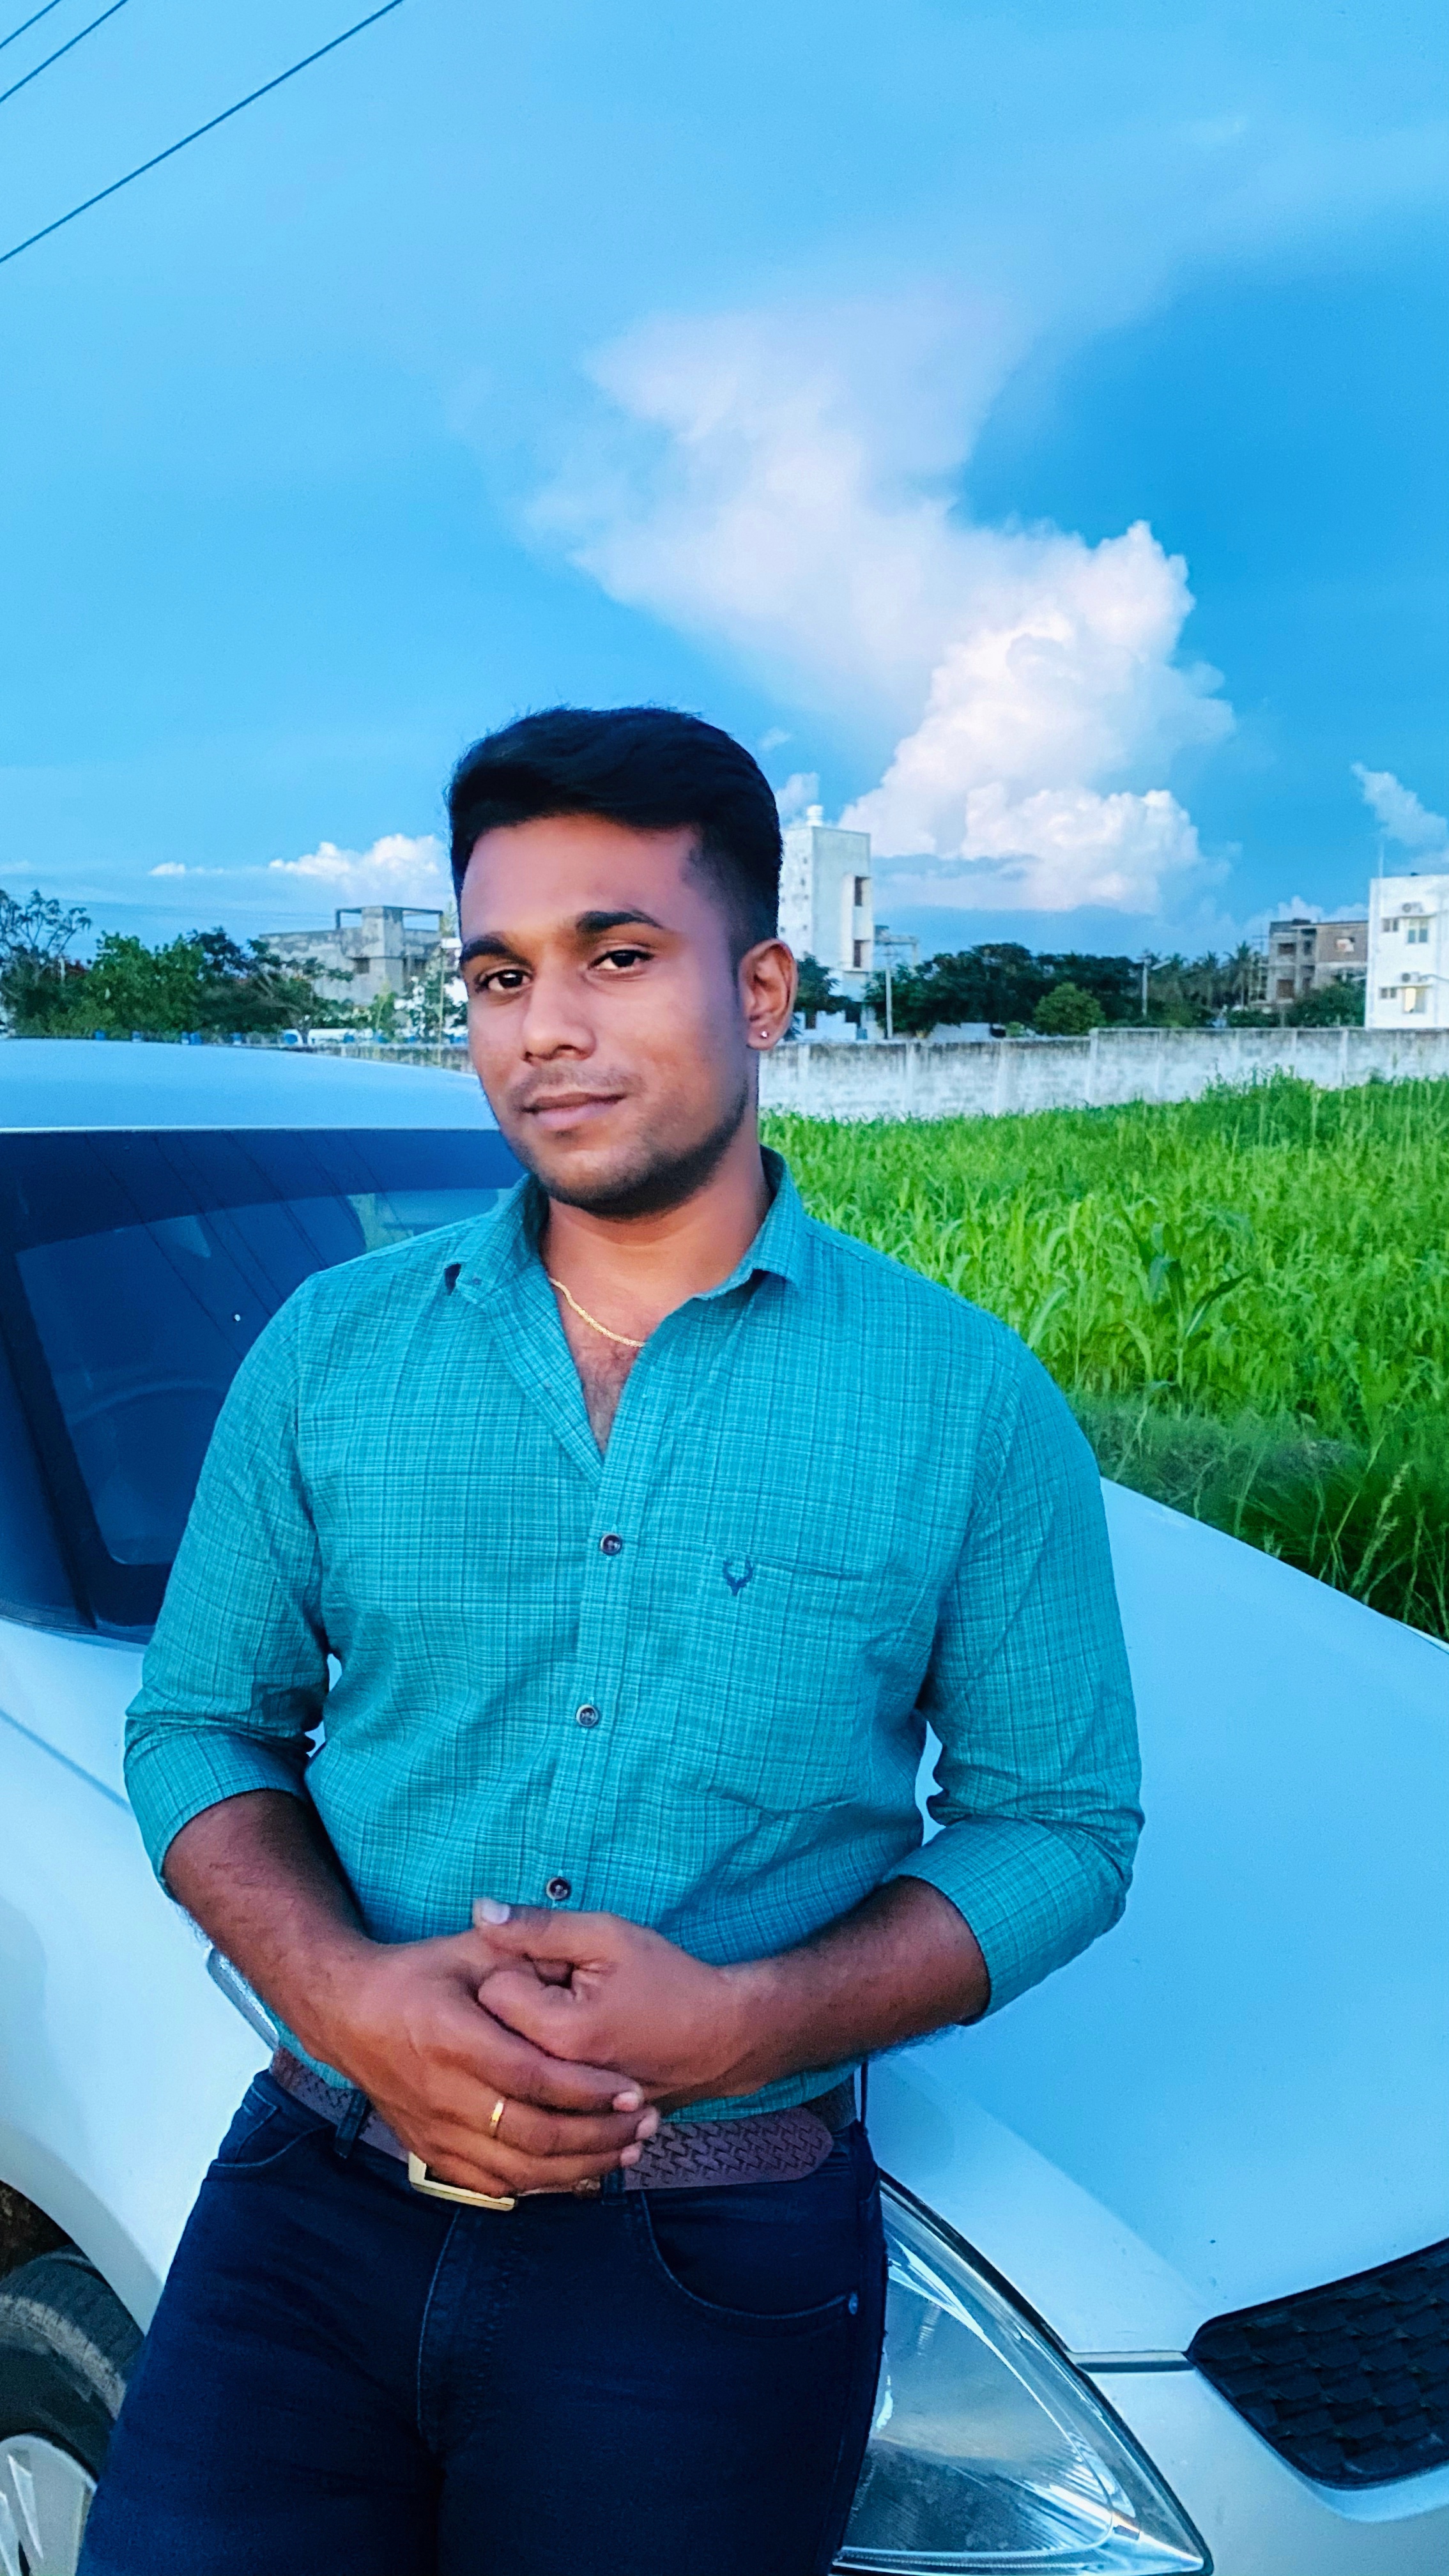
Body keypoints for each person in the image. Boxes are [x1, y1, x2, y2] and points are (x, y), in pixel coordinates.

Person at [81, 706, 1142, 2576]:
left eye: (618, 956)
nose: (543, 1030)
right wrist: (343, 1994)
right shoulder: (330, 1352)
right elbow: (197, 1726)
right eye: (499, 975)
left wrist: (748, 2020)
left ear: (764, 989)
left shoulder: (962, 1402)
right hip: (311, 2205)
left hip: (711, 2257)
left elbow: (1058, 1826)